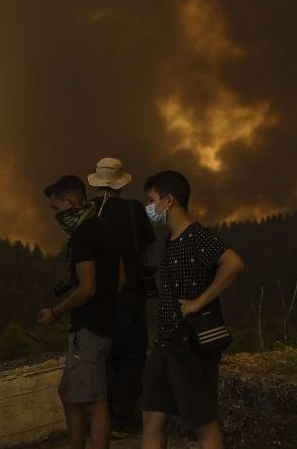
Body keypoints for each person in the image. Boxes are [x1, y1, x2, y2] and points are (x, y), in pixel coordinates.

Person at [140, 171, 244, 449]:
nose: (149, 208)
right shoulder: (170, 241)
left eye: (152, 200)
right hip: (164, 344)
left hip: (190, 348)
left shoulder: (197, 235)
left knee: (203, 423)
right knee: (152, 416)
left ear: (169, 200)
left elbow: (233, 263)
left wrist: (199, 301)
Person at [39, 175, 124, 449]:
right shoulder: (105, 228)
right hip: (100, 326)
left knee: (94, 402)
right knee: (68, 392)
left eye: (57, 208)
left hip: (88, 331)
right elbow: (121, 278)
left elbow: (87, 289)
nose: (57, 215)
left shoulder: (84, 233)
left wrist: (55, 312)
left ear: (72, 201)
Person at [86, 157, 156, 434]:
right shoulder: (133, 209)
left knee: (104, 356)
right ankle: (121, 419)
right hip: (132, 294)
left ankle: (100, 419)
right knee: (132, 354)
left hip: (99, 296)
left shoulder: (90, 212)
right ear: (120, 184)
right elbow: (148, 243)